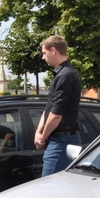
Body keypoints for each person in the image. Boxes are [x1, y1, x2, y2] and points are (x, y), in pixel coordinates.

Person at [35, 35, 81, 176]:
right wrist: (39, 131)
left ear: (53, 50)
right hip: (58, 139)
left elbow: (56, 115)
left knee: (49, 189)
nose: (43, 57)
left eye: (44, 53)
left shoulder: (65, 75)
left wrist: (42, 137)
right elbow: (49, 107)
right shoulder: (60, 74)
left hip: (62, 140)